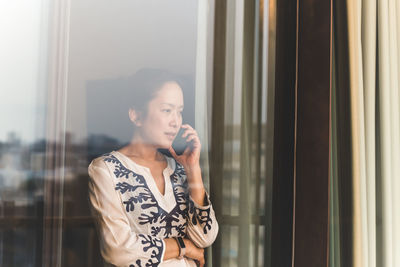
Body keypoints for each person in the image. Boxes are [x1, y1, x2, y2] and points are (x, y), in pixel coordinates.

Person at [88, 69, 218, 267]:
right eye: (167, 110)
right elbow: (118, 250)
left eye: (179, 111)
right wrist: (183, 246)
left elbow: (205, 237)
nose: (175, 122)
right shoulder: (106, 170)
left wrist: (194, 170)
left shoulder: (180, 170)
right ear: (136, 115)